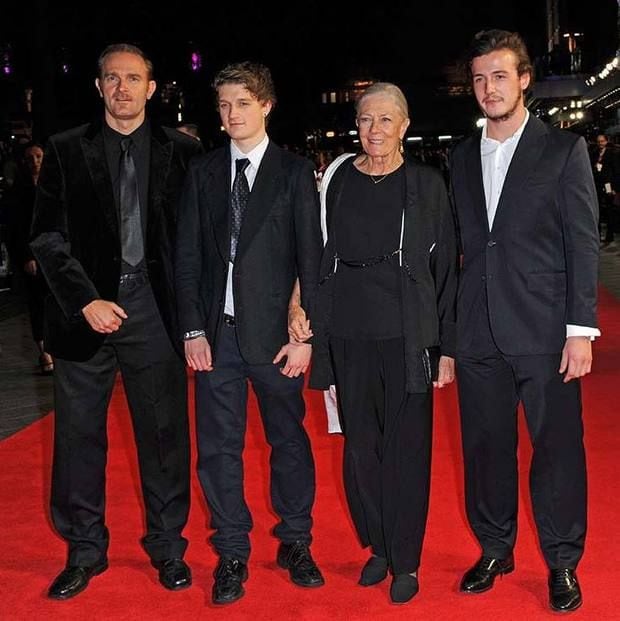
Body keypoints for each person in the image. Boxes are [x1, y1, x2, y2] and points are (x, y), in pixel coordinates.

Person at [30, 43, 203, 600]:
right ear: (99, 86)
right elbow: (47, 237)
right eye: (112, 78)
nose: (123, 88)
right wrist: (85, 299)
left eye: (133, 78)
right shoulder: (63, 150)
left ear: (152, 88)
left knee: (163, 437)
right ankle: (84, 550)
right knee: (79, 438)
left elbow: (195, 242)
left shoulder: (184, 151)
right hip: (86, 315)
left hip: (155, 314)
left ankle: (167, 547)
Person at [450, 30, 599, 613]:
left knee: (557, 448)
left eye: (500, 75)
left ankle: (562, 560)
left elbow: (582, 242)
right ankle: (495, 547)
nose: (489, 87)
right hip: (477, 329)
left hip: (544, 329)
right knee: (486, 448)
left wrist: (580, 329)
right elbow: (461, 245)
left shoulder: (563, 150)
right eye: (480, 78)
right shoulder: (460, 157)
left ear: (524, 79)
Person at [300, 82, 458, 604]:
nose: (375, 131)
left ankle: (406, 560)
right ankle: (379, 548)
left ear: (405, 126)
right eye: (367, 120)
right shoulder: (340, 178)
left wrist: (448, 348)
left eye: (386, 120)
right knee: (360, 448)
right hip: (347, 332)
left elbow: (445, 271)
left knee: (407, 450)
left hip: (407, 335)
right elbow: (320, 251)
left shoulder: (427, 184)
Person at [174, 61, 324, 605]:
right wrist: (192, 328)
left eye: (242, 103)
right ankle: (232, 550)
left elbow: (312, 259)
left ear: (266, 105)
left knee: (288, 442)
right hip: (216, 337)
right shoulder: (204, 172)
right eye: (223, 106)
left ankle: (296, 541)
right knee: (217, 450)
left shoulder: (294, 172)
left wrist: (306, 336)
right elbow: (186, 259)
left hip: (276, 339)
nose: (231, 114)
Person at [6, 142, 54, 374]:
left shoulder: (54, 186)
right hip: (32, 258)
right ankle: (45, 353)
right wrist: (26, 256)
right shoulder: (18, 192)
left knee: (56, 302)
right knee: (36, 304)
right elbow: (15, 229)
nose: (35, 162)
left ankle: (58, 350)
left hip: (55, 256)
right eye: (30, 158)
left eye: (38, 156)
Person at [590, 133, 618, 244]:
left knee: (610, 210)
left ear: (606, 141)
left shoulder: (612, 153)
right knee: (598, 210)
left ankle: (609, 235)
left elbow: (616, 170)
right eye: (599, 141)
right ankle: (598, 234)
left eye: (602, 141)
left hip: (608, 184)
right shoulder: (594, 153)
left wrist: (615, 187)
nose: (600, 143)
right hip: (598, 183)